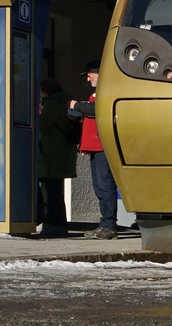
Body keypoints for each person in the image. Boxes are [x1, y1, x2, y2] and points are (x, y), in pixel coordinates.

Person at [71, 60, 118, 239]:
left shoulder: (105, 93)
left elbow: (97, 110)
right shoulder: (97, 93)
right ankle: (106, 224)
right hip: (96, 147)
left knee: (105, 186)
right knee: (100, 186)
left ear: (101, 73)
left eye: (90, 73)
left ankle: (109, 225)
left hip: (101, 146)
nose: (88, 77)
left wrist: (76, 105)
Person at [37, 77, 75, 238]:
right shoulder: (65, 101)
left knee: (53, 192)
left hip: (51, 153)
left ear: (46, 89)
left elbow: (44, 124)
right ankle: (53, 223)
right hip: (63, 152)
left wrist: (37, 112)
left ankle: (57, 223)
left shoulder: (52, 103)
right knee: (55, 190)